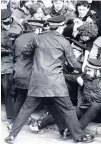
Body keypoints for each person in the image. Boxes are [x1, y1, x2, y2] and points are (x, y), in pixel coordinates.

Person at [4, 15, 94, 144]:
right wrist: (80, 69)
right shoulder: (64, 41)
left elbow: (24, 51)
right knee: (68, 109)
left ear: (49, 26)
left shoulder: (38, 38)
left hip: (37, 82)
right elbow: (74, 64)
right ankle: (79, 137)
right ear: (61, 26)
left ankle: (12, 135)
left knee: (27, 109)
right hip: (56, 83)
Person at [1, 9, 22, 123]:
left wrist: (7, 51)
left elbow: (20, 47)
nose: (5, 25)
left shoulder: (18, 28)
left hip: (10, 63)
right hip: (2, 62)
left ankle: (11, 115)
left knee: (8, 88)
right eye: (2, 22)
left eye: (6, 22)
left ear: (11, 18)